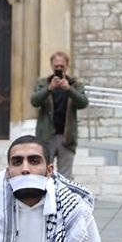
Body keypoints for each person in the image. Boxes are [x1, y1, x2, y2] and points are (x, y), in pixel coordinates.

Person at [30, 51, 89, 179]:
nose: (59, 69)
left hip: (66, 137)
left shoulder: (75, 84)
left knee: (65, 178)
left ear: (67, 66)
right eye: (56, 66)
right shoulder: (43, 83)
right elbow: (34, 101)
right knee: (43, 175)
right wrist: (49, 89)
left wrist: (69, 89)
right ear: (52, 66)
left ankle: (63, 198)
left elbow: (83, 103)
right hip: (46, 137)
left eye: (62, 66)